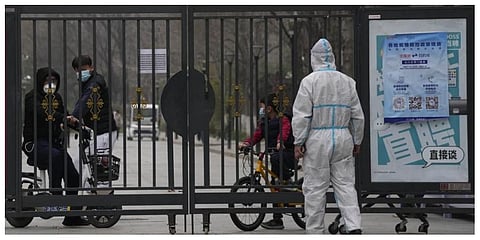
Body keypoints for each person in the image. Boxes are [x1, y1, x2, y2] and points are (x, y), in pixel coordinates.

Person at [292, 38, 365, 234]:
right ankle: (353, 226)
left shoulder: (309, 82)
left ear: (313, 59)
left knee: (315, 188)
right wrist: (357, 140)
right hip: (343, 137)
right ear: (332, 58)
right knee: (346, 185)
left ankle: (315, 230)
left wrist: (298, 141)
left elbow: (302, 115)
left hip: (317, 139)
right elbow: (358, 115)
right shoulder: (348, 82)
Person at [22, 67, 89, 226]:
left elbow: (64, 116)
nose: (50, 84)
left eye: (54, 81)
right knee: (56, 156)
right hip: (36, 143)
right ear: (40, 81)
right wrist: (62, 117)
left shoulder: (57, 98)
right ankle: (55, 193)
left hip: (53, 144)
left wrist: (76, 123)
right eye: (47, 81)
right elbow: (41, 113)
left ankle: (72, 216)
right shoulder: (32, 97)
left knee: (73, 174)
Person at [239, 93, 296, 230]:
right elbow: (257, 135)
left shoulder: (284, 119)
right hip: (274, 155)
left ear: (269, 108)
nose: (261, 109)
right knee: (273, 185)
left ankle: (287, 180)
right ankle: (277, 220)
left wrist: (279, 141)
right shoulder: (264, 122)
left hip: (286, 153)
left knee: (277, 178)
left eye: (262, 107)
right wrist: (246, 143)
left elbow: (285, 131)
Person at [67, 55, 118, 188]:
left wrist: (74, 116)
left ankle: (99, 198)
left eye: (84, 69)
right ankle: (85, 195)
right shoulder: (85, 84)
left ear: (91, 68)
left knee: (98, 169)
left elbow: (86, 100)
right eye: (78, 70)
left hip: (104, 131)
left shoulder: (96, 83)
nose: (80, 73)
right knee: (79, 163)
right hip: (92, 132)